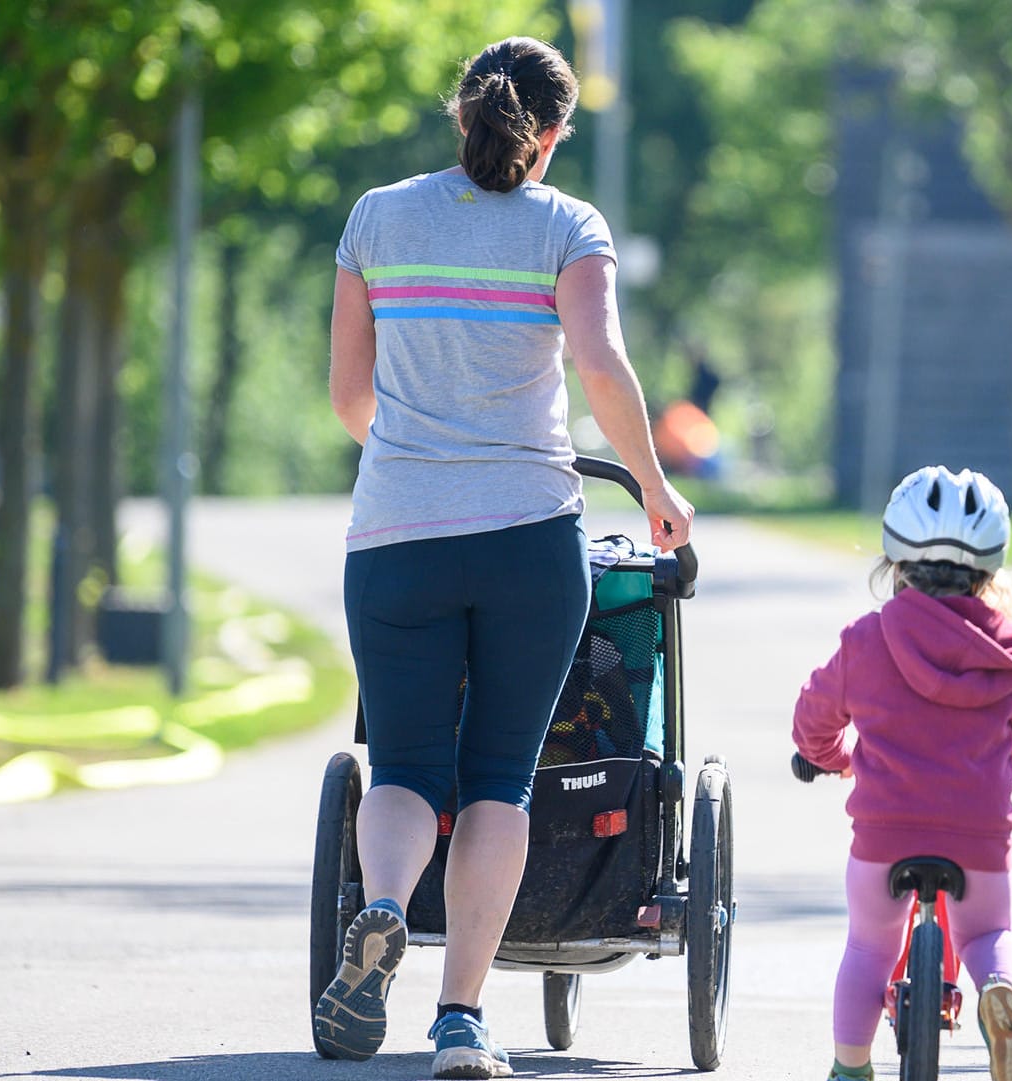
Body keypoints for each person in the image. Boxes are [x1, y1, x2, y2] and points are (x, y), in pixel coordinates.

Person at [316, 36, 693, 1081]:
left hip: (395, 538)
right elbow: (600, 365)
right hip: (529, 540)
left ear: (460, 114)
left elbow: (351, 397)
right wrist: (657, 491)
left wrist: (416, 452)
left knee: (401, 766)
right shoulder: (568, 226)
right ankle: (459, 1023)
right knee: (497, 782)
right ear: (556, 133)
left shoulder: (376, 219)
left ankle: (386, 906)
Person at [793, 466, 1012, 1081]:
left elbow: (813, 716)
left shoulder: (866, 641)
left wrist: (829, 756)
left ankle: (850, 1069)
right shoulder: (1011, 655)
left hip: (884, 836)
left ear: (895, 564)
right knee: (988, 931)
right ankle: (999, 990)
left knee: (869, 945)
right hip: (978, 841)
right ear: (989, 573)